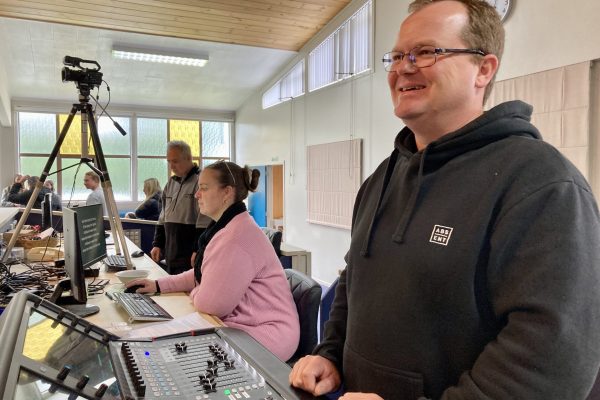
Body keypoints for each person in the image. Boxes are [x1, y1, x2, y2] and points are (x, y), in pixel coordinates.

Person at [289, 1, 600, 399]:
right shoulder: (379, 180)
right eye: (398, 55)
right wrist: (329, 354)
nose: (403, 67)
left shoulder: (542, 183)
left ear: (483, 70)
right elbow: (355, 278)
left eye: (427, 52)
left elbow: (551, 358)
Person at [127, 161, 300, 361]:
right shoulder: (228, 226)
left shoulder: (237, 236)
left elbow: (210, 305)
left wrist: (198, 291)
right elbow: (205, 273)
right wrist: (157, 284)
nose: (196, 194)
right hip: (242, 325)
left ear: (227, 192)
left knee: (171, 354)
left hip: (266, 335)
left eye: (204, 188)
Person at [150, 141, 211, 274]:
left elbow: (204, 223)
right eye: (169, 161)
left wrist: (198, 250)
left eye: (175, 161)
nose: (172, 166)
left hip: (190, 257)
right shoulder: (170, 183)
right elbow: (162, 217)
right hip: (171, 254)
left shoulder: (200, 182)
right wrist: (157, 244)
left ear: (189, 158)